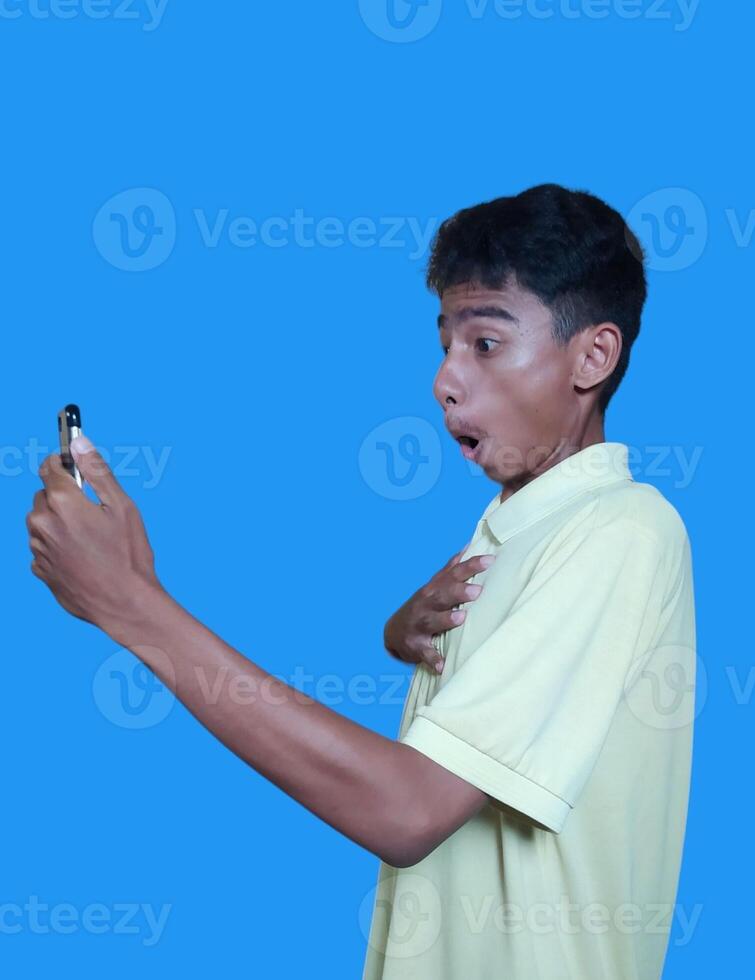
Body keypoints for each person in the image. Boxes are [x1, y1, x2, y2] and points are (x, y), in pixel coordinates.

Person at [26, 183, 697, 980]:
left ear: (594, 356)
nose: (444, 380)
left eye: (485, 343)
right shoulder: (514, 534)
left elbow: (407, 810)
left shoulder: (622, 529)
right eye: (445, 343)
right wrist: (398, 634)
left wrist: (133, 604)